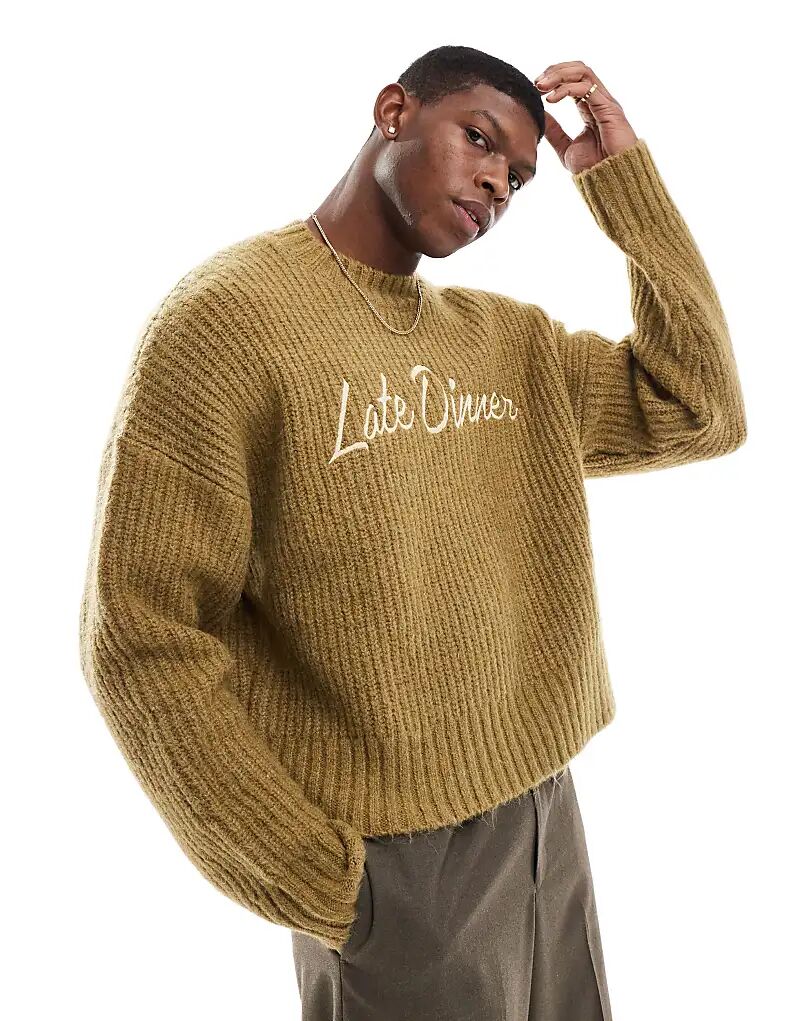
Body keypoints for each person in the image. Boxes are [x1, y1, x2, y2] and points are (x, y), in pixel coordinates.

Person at [78, 45, 747, 1021]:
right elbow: (143, 636)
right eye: (479, 139)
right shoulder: (226, 322)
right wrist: (315, 877)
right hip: (392, 873)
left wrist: (623, 189)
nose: (497, 182)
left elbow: (698, 406)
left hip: (544, 821)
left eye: (519, 177)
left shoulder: (506, 341)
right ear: (393, 110)